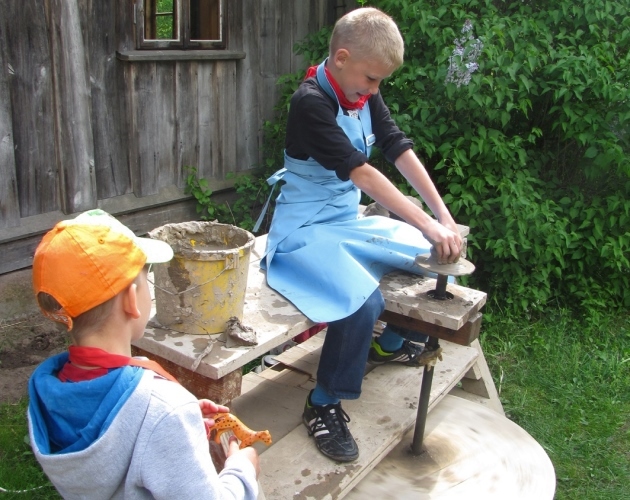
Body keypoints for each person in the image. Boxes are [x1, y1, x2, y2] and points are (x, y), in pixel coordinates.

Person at [259, 7, 463, 462]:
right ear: (342, 58)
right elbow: (363, 174)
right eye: (371, 79)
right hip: (302, 236)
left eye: (379, 83)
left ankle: (386, 344)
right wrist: (426, 222)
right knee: (362, 301)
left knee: (427, 255)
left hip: (346, 224)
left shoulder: (361, 95)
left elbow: (397, 147)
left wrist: (441, 218)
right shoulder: (311, 101)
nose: (375, 90)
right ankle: (324, 400)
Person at [27, 209, 260, 499]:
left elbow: (134, 423)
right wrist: (242, 471)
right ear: (131, 300)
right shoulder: (162, 410)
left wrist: (180, 416)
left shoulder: (50, 392)